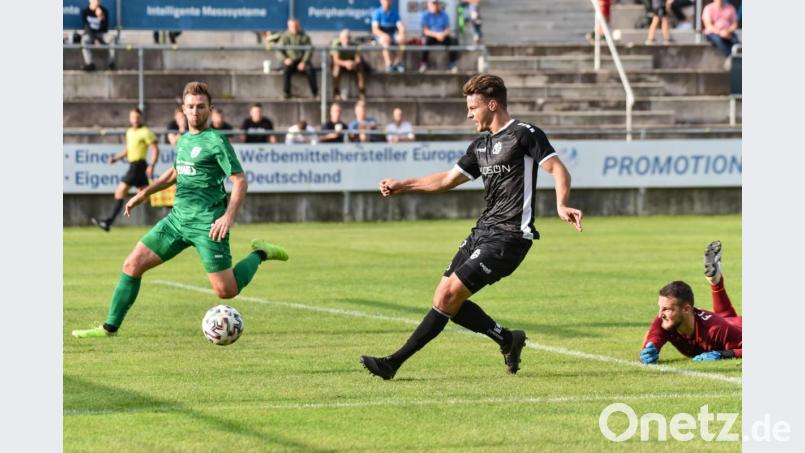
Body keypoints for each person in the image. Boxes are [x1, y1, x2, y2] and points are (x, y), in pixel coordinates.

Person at [359, 74, 584, 380]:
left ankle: (392, 363)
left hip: (510, 237)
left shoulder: (524, 134)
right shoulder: (480, 145)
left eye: (473, 107)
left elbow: (558, 169)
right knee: (444, 298)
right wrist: (403, 185)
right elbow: (446, 179)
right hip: (482, 232)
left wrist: (561, 205)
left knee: (448, 297)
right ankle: (507, 338)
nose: (469, 114)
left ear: (492, 105)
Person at [73, 82, 289, 339]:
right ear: (183, 110)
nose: (195, 111)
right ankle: (109, 328)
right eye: (191, 107)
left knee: (226, 291)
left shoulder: (216, 141)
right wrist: (144, 193)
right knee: (132, 264)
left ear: (210, 109)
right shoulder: (184, 140)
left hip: (207, 224)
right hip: (176, 221)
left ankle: (261, 253)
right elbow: (176, 172)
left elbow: (239, 180)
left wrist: (228, 217)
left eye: (200, 106)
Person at [639, 241, 742, 364]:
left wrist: (723, 354)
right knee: (726, 316)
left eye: (667, 309)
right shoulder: (664, 321)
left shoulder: (716, 329)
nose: (660, 314)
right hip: (727, 323)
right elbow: (653, 339)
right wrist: (649, 351)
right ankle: (715, 282)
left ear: (687, 309)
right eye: (660, 307)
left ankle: (716, 283)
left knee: (726, 319)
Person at [91, 108, 160, 232]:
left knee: (120, 192)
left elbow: (155, 149)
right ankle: (165, 221)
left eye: (137, 117)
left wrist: (152, 165)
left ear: (141, 118)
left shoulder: (146, 132)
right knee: (146, 197)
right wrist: (116, 159)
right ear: (130, 118)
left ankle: (108, 221)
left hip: (138, 166)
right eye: (133, 117)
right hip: (134, 165)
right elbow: (128, 150)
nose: (135, 119)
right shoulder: (129, 132)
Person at [276, 18, 318, 99]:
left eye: (296, 26)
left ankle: (315, 93)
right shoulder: (284, 36)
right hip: (290, 61)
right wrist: (285, 59)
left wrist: (304, 61)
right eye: (292, 26)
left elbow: (309, 50)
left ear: (299, 26)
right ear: (289, 27)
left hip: (302, 61)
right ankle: (286, 93)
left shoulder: (305, 36)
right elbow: (279, 51)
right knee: (286, 70)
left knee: (310, 70)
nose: (294, 28)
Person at [420, 0, 460, 73]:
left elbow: (447, 29)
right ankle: (424, 63)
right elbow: (426, 31)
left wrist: (442, 34)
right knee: (425, 41)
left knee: (454, 41)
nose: (435, 5)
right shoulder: (425, 15)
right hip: (431, 36)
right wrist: (436, 35)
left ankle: (452, 63)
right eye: (433, 3)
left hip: (442, 36)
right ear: (428, 5)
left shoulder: (444, 15)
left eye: (436, 3)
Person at [372, 0, 407, 73]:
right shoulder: (377, 13)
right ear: (381, 1)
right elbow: (375, 30)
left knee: (402, 39)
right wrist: (384, 35)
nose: (387, 2)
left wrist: (402, 32)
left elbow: (400, 26)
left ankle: (398, 63)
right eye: (385, 0)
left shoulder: (394, 13)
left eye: (389, 0)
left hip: (392, 35)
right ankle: (389, 64)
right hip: (381, 36)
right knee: (385, 39)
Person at [331, 29, 366, 101]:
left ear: (350, 38)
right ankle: (336, 93)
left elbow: (358, 59)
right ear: (340, 38)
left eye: (347, 38)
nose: (346, 40)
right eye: (344, 38)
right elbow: (336, 60)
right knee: (336, 71)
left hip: (352, 63)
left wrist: (352, 63)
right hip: (340, 64)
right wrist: (346, 63)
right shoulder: (336, 44)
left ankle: (362, 93)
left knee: (360, 69)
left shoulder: (355, 44)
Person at [80, 0, 116, 71]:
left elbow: (105, 29)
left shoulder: (104, 11)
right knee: (84, 40)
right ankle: (90, 64)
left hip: (101, 34)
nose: (97, 1)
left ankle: (111, 63)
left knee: (112, 38)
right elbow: (86, 28)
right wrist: (94, 40)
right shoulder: (85, 12)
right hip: (90, 34)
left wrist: (101, 17)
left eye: (98, 0)